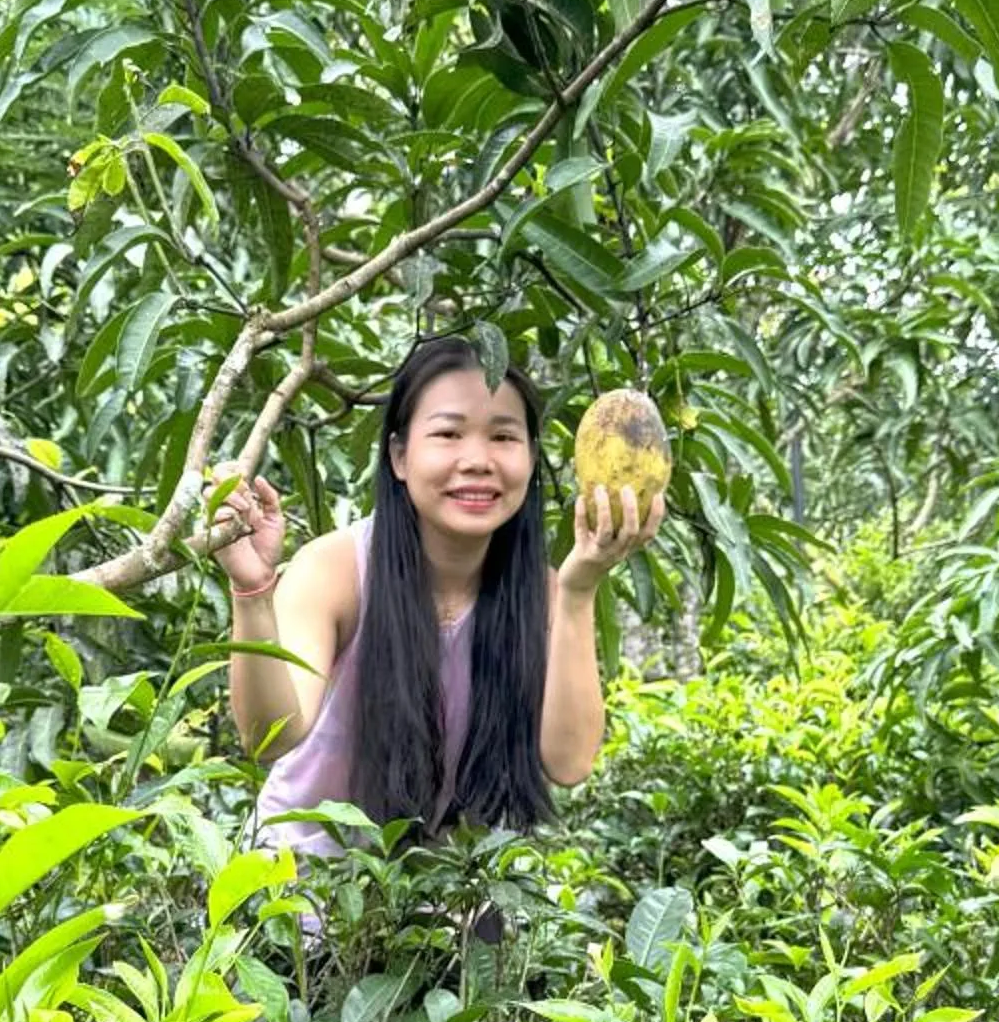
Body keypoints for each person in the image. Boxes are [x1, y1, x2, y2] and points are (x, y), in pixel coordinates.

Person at [208, 332, 665, 866]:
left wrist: (579, 589)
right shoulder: (335, 569)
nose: (477, 460)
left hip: (446, 897)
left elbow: (569, 762)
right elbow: (269, 738)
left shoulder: (541, 594)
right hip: (299, 887)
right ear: (399, 456)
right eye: (448, 433)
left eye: (503, 437)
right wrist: (251, 590)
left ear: (532, 458)